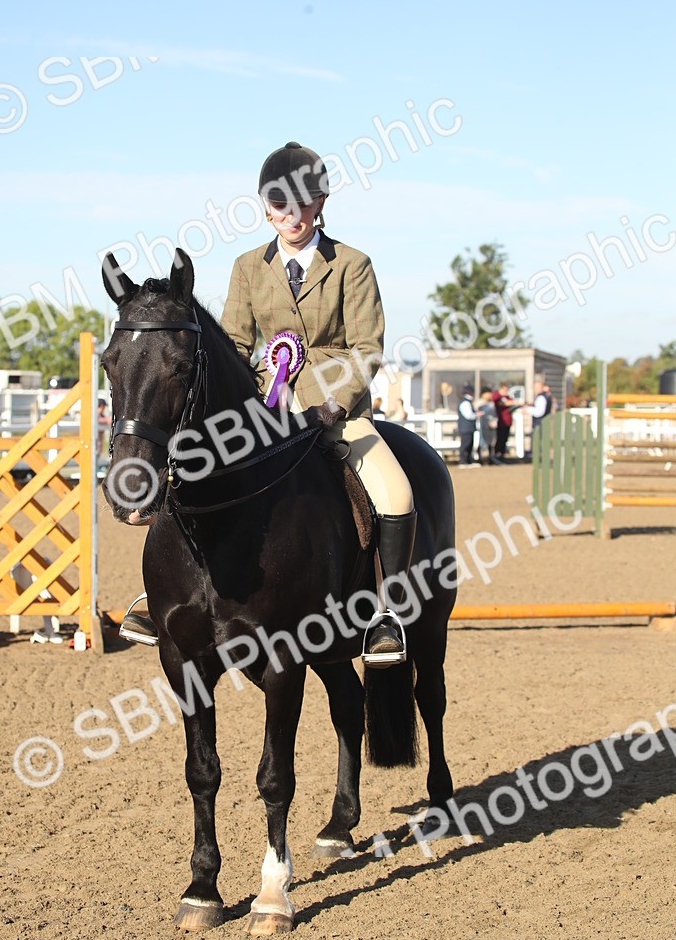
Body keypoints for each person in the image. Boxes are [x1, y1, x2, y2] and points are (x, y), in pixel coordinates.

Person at [121, 141, 416, 664]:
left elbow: (368, 348)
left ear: (320, 203)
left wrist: (334, 403)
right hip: (264, 404)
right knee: (191, 470)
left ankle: (386, 614)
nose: (291, 216)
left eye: (302, 204)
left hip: (336, 411)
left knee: (395, 493)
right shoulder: (247, 267)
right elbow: (233, 345)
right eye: (279, 206)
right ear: (265, 209)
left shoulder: (352, 264)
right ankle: (163, 594)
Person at [491, 382, 516, 461]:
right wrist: (509, 403)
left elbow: (512, 402)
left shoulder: (507, 397)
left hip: (507, 422)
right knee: (499, 438)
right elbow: (501, 403)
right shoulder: (496, 396)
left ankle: (502, 454)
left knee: (504, 439)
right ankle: (496, 455)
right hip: (500, 422)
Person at [456, 385, 479, 467]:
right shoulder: (465, 402)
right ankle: (463, 461)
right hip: (466, 427)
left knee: (469, 444)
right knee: (465, 444)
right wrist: (477, 414)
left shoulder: (466, 402)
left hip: (467, 427)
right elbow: (469, 415)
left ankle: (468, 460)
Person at [478, 390, 500, 464]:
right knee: (482, 441)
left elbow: (494, 415)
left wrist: (494, 421)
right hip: (482, 426)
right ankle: (481, 458)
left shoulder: (491, 405)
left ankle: (491, 458)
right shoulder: (480, 404)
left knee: (491, 442)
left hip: (490, 426)